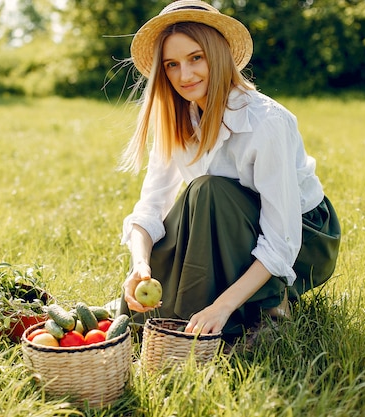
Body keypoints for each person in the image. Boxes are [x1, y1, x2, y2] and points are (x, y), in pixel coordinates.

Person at [117, 0, 341, 341]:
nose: (185, 75)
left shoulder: (265, 121)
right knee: (199, 199)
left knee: (208, 191)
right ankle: (182, 316)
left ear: (218, 54)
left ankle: (270, 307)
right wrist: (141, 265)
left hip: (302, 237)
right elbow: (150, 208)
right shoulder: (178, 120)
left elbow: (282, 240)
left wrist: (221, 306)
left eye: (196, 58)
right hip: (226, 223)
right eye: (172, 64)